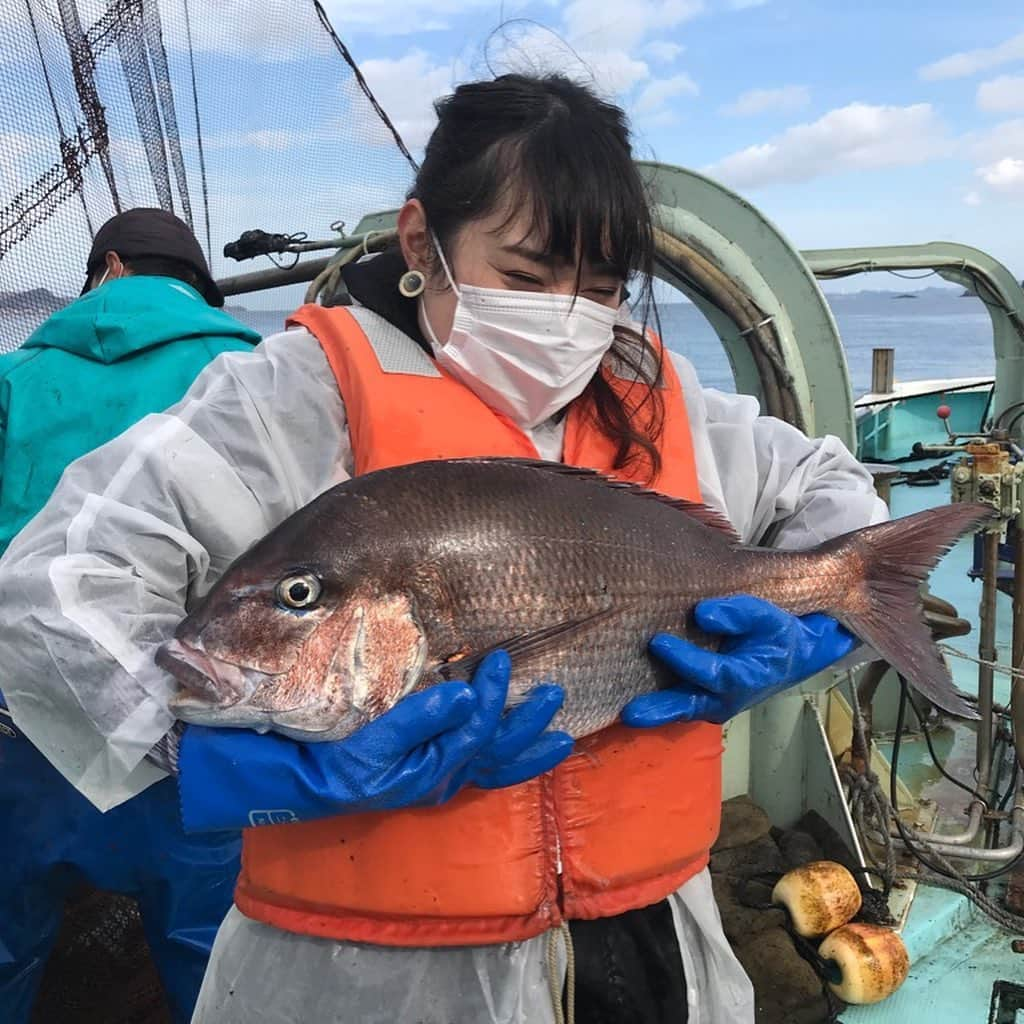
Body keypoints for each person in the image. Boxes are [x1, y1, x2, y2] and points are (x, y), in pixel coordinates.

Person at [0, 76, 886, 1024]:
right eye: (526, 275)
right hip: (361, 975)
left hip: (657, 938)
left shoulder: (659, 400)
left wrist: (813, 628)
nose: (571, 318)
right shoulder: (291, 402)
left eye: (602, 288)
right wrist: (215, 760)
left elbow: (836, 499)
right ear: (424, 241)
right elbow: (56, 589)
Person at [0, 208, 261, 1024]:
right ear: (197, 287)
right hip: (193, 741)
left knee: (6, 945)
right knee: (212, 961)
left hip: (21, 731)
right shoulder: (256, 371)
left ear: (107, 270)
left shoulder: (13, 375)